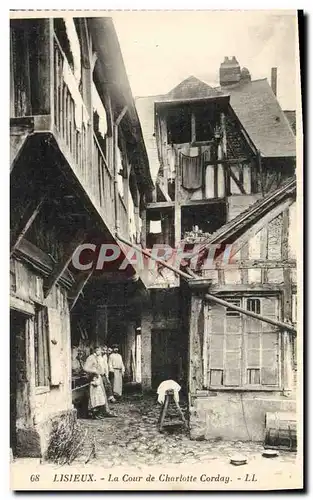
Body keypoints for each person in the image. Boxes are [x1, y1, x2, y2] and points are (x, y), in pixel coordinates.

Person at [83, 346, 116, 418]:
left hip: (99, 378)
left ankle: (103, 411)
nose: (100, 352)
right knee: (95, 397)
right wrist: (94, 371)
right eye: (99, 351)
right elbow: (85, 368)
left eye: (100, 351)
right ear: (95, 350)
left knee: (101, 396)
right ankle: (95, 413)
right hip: (93, 379)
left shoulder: (98, 357)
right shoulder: (91, 358)